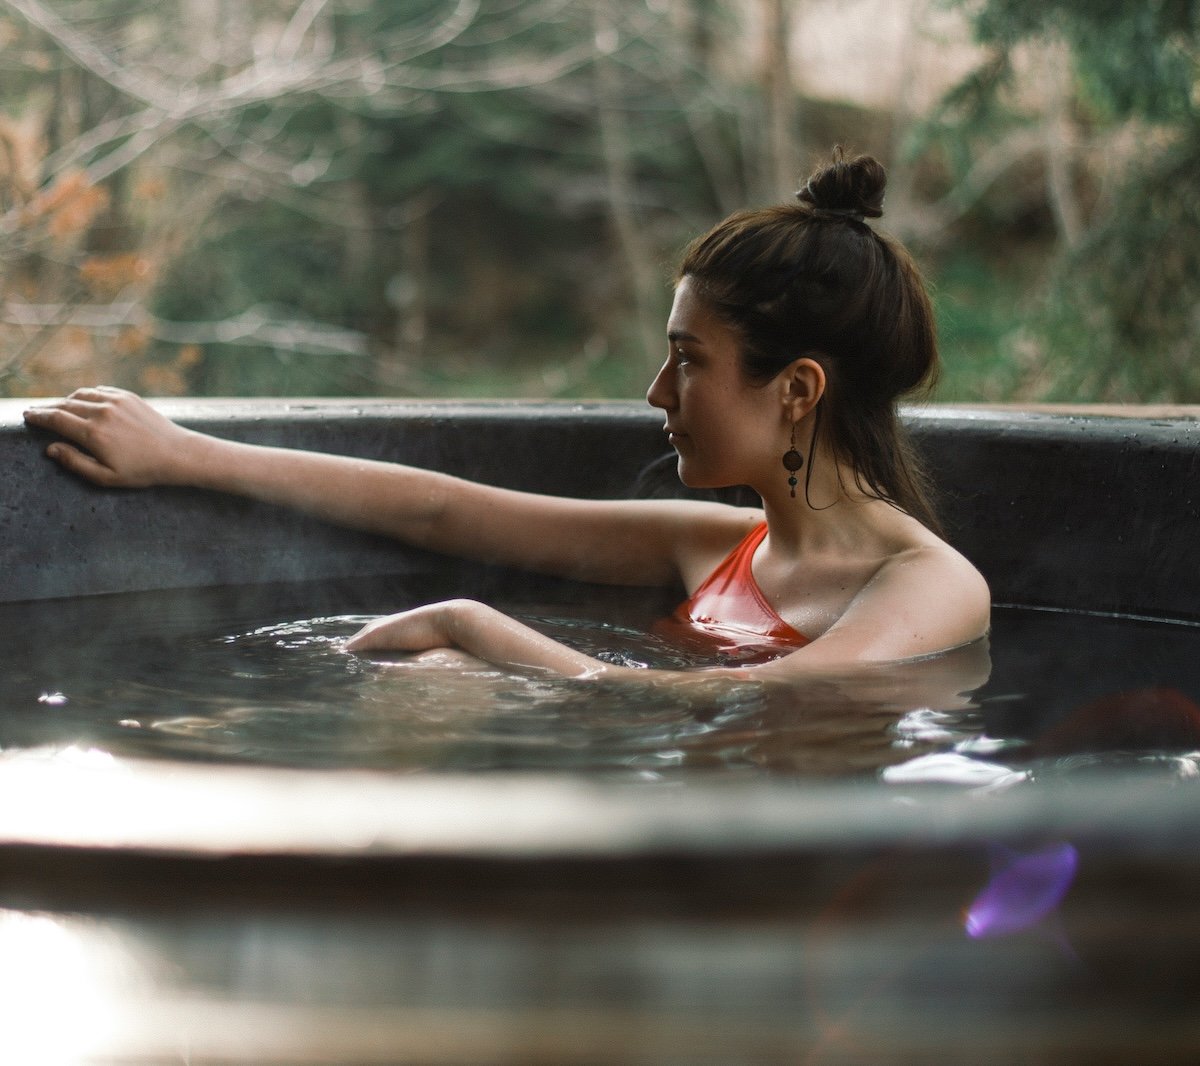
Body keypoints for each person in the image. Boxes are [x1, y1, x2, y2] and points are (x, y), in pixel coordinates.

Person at [22, 148, 990, 682]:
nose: (657, 392)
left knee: (446, 655)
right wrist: (184, 455)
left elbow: (717, 708)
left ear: (797, 390)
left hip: (788, 895)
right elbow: (443, 513)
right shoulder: (723, 543)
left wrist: (468, 619)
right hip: (675, 817)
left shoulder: (933, 588)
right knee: (433, 675)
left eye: (688, 361)